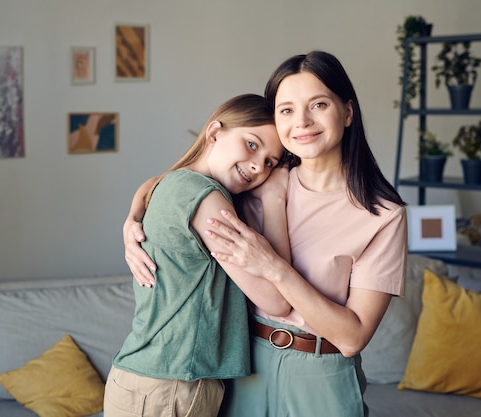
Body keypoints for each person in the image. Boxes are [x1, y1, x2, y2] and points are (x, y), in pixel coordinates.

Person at [123, 51, 407, 417]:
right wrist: (132, 219)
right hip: (244, 368)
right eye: (286, 110)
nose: (302, 121)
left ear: (348, 112)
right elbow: (179, 181)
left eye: (318, 104)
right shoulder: (259, 177)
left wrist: (274, 268)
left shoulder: (382, 216)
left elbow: (353, 338)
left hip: (322, 373)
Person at [104, 93, 291, 417]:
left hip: (147, 382)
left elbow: (150, 183)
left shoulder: (176, 184)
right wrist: (275, 198)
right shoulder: (207, 200)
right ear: (215, 132)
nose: (259, 165)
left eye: (271, 162)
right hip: (171, 387)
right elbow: (277, 300)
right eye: (252, 144)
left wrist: (132, 215)